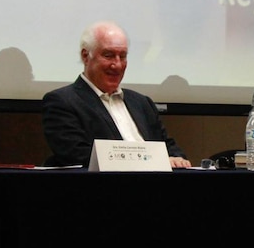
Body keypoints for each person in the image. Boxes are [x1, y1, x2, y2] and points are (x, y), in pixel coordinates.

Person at [42, 20, 192, 168]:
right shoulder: (62, 102)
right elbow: (76, 154)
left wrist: (177, 158)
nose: (117, 65)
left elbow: (168, 147)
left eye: (123, 56)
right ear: (86, 56)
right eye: (108, 55)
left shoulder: (141, 103)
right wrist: (149, 162)